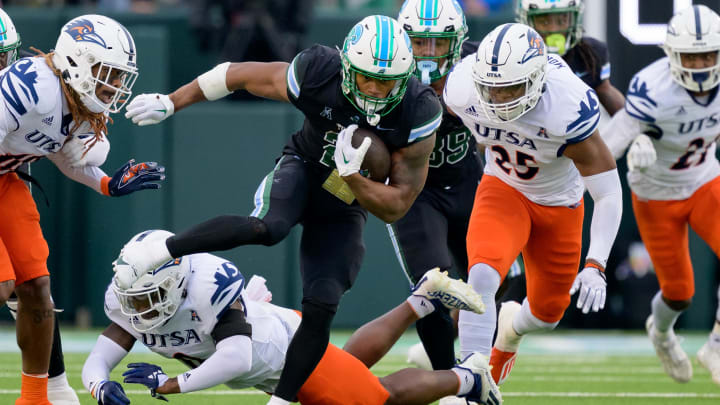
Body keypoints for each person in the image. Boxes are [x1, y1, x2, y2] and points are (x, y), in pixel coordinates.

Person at [118, 15, 442, 405]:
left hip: (348, 199)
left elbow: (398, 204)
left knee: (322, 303)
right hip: (303, 167)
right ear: (347, 67)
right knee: (268, 227)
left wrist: (354, 178)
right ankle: (164, 250)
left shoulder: (418, 110)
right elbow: (235, 74)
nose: (373, 90)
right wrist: (173, 100)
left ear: (405, 79)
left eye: (386, 82)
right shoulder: (320, 71)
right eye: (366, 78)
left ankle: (282, 401)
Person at [82, 229, 501, 405]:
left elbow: (236, 358)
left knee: (377, 398)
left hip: (284, 354)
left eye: (149, 296)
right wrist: (100, 386)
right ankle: (422, 301)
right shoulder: (129, 301)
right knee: (351, 368)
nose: (140, 309)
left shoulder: (206, 285)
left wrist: (169, 384)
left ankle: (470, 378)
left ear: (175, 281)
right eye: (132, 299)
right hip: (277, 349)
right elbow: (97, 359)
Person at [443, 22, 623, 385]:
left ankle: (511, 327)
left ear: (537, 79)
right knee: (481, 276)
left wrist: (596, 264)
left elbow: (607, 192)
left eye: (510, 88)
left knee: (547, 316)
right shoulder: (463, 89)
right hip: (503, 189)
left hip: (560, 204)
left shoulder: (567, 106)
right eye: (491, 89)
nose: (498, 99)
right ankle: (469, 381)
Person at [0, 14, 165, 405]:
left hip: (5, 180)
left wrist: (106, 183)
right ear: (78, 60)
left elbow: (66, 156)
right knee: (4, 285)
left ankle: (36, 398)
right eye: (107, 72)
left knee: (36, 285)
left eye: (120, 75)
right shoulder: (29, 88)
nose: (116, 85)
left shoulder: (76, 99)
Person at [394, 0, 522, 384]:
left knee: (507, 277)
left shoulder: (480, 65)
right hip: (415, 191)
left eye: (440, 42)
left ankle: (466, 351)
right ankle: (447, 380)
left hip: (467, 178)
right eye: (419, 43)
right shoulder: (388, 70)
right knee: (431, 286)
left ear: (459, 41)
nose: (430, 54)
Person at [601, 5, 720, 386]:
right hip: (656, 194)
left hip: (704, 181)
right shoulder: (653, 89)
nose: (701, 65)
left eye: (709, 55)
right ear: (672, 55)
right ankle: (663, 334)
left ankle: (715, 343)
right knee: (679, 292)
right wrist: (636, 140)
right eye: (692, 56)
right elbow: (606, 147)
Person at [516, 0, 625, 115]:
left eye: (562, 20)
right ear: (527, 22)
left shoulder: (590, 55)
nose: (554, 30)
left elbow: (608, 95)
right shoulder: (514, 56)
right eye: (544, 22)